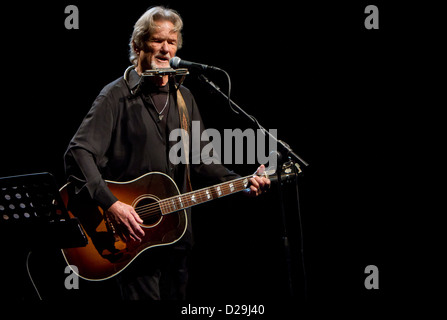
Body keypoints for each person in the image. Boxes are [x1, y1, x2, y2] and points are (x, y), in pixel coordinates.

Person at [64, 6, 270, 300]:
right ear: (138, 46)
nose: (165, 49)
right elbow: (78, 153)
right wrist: (111, 204)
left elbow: (201, 160)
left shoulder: (183, 98)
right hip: (130, 237)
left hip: (176, 236)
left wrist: (243, 182)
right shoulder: (115, 95)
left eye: (171, 42)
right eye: (157, 40)